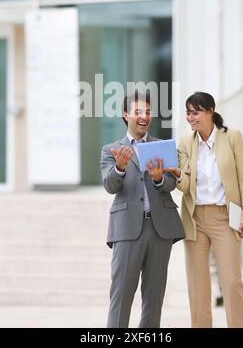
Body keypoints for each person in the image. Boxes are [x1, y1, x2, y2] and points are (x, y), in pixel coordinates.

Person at [164, 91, 243, 328]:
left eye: (195, 112)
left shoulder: (232, 137)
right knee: (197, 286)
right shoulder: (185, 144)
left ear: (210, 111)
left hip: (225, 218)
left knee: (232, 282)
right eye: (187, 113)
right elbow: (185, 187)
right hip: (195, 220)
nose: (190, 118)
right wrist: (175, 173)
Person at [100, 91, 185, 328]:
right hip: (127, 229)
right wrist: (119, 167)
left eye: (147, 112)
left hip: (160, 229)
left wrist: (159, 178)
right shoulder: (111, 150)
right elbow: (110, 185)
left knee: (154, 298)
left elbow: (172, 184)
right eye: (138, 112)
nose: (144, 117)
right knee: (121, 295)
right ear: (126, 115)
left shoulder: (163, 147)